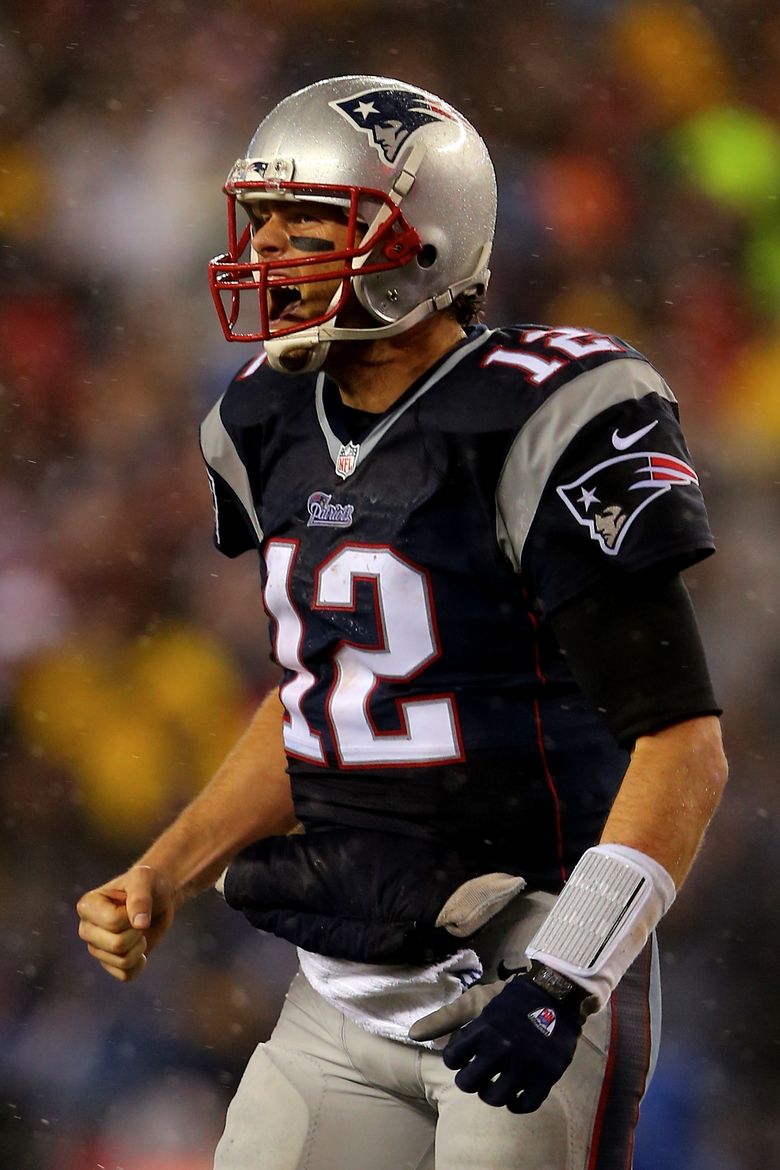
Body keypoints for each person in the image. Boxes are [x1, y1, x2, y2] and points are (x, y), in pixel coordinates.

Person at [76, 75, 728, 1170]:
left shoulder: (543, 409)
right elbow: (324, 705)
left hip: (524, 964)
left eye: (310, 223)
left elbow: (683, 746)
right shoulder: (264, 417)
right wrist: (166, 871)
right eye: (263, 220)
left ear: (422, 241)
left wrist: (564, 983)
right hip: (340, 985)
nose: (271, 249)